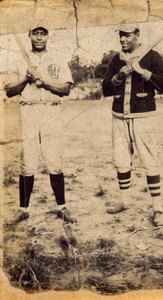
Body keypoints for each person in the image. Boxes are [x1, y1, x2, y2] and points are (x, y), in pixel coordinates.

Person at [5, 21, 76, 224]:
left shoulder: (58, 59)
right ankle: (23, 209)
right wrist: (26, 79)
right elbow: (9, 90)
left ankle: (61, 208)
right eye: (35, 33)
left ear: (47, 36)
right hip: (28, 110)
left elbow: (66, 89)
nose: (38, 37)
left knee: (54, 160)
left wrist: (44, 82)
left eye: (42, 33)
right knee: (28, 162)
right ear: (29, 35)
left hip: (51, 111)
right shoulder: (19, 60)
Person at [102, 24, 163, 226]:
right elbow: (105, 88)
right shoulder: (116, 59)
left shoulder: (152, 56)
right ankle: (124, 202)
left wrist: (142, 71)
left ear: (137, 35)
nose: (123, 39)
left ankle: (157, 208)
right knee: (121, 160)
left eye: (127, 35)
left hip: (144, 117)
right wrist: (118, 76)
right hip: (119, 117)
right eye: (121, 35)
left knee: (150, 161)